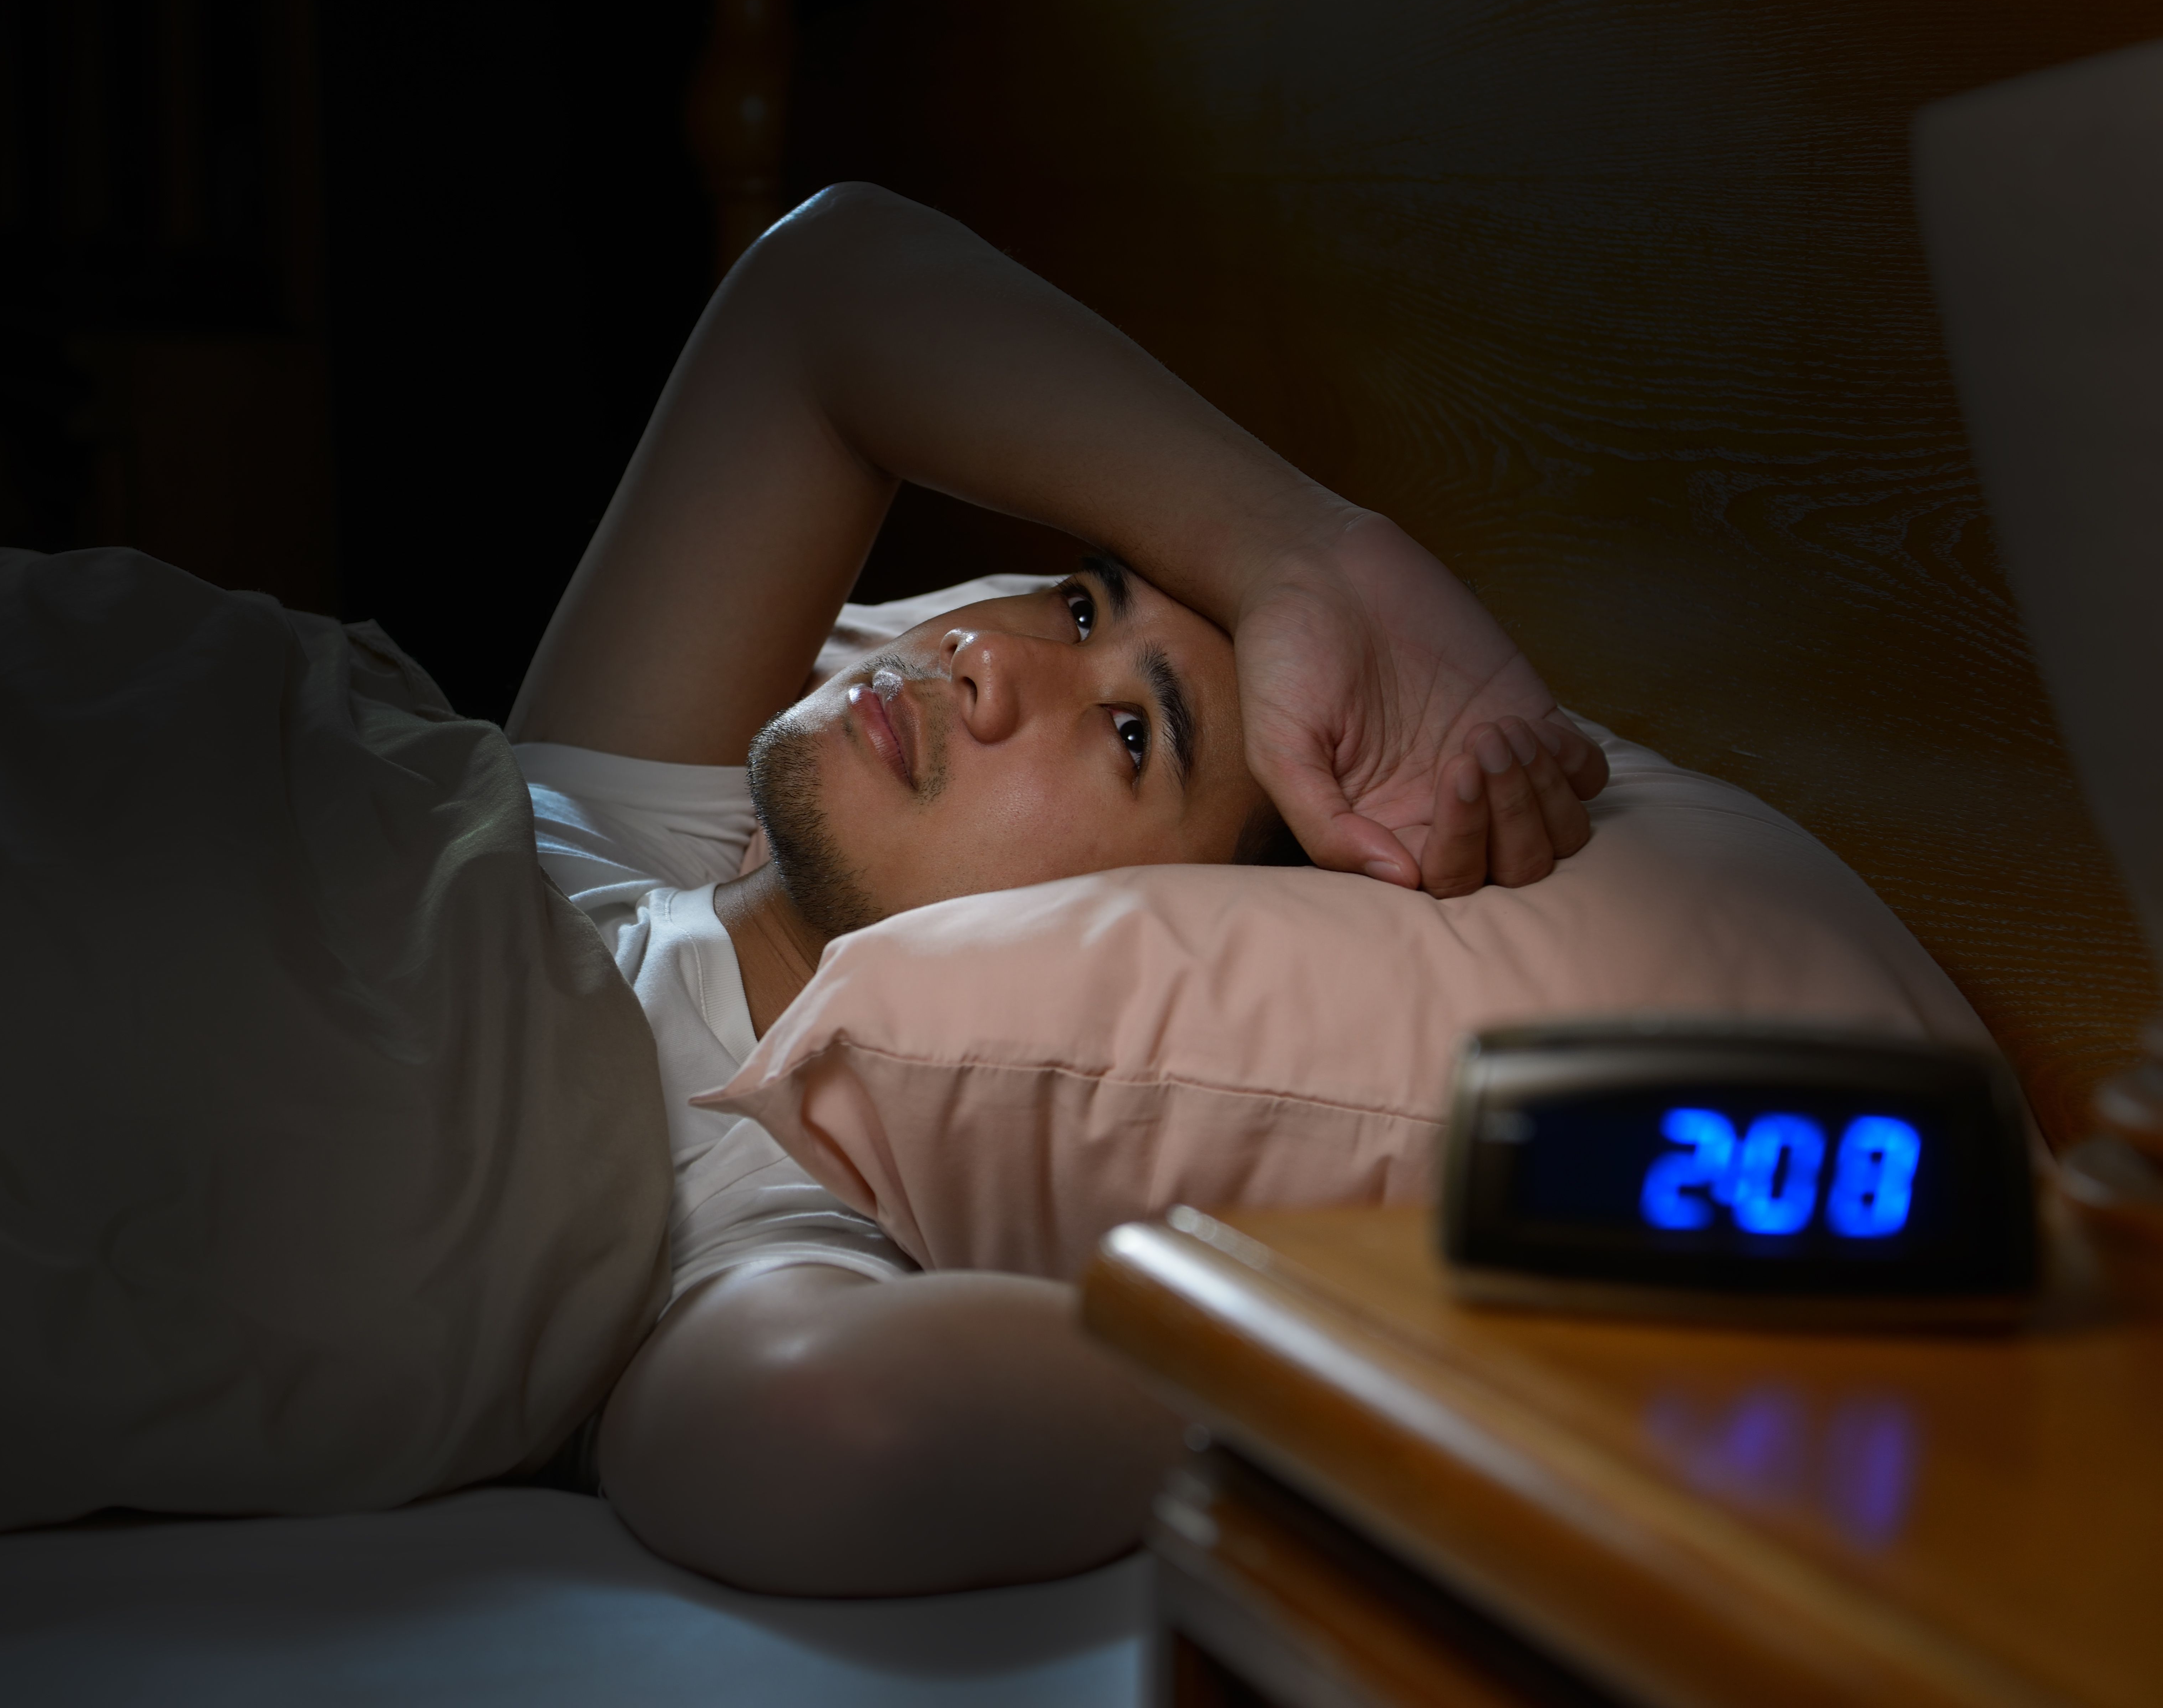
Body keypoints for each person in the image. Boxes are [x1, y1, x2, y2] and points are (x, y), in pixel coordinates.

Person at [502, 183, 1606, 1596]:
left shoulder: (728, 1190)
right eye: (1084, 607)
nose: (984, 651)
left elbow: (832, 1430)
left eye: (1134, 732)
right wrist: (1307, 558)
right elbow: (823, 291)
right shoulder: (607, 822)